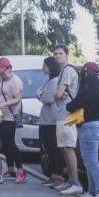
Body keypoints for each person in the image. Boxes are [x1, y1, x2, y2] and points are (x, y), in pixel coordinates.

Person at [68, 61, 99, 197]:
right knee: (89, 162)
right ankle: (92, 193)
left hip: (88, 128)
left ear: (85, 73)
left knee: (92, 163)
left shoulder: (86, 91)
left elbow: (71, 106)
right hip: (98, 126)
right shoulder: (98, 90)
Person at [53, 44, 82, 195]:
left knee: (69, 147)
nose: (58, 56)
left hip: (68, 114)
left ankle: (76, 182)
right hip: (65, 113)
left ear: (66, 55)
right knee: (64, 147)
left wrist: (56, 94)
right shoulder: (64, 70)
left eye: (61, 53)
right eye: (56, 54)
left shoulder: (68, 70)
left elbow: (58, 94)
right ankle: (70, 180)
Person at [0, 56, 25, 183]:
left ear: (10, 68)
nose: (2, 74)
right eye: (0, 71)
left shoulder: (15, 81)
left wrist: (4, 105)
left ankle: (20, 170)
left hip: (11, 115)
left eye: (4, 71)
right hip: (0, 115)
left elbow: (17, 99)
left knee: (11, 144)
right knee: (4, 144)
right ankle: (10, 168)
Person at [36, 56, 65, 188]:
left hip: (52, 120)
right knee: (47, 148)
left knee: (54, 149)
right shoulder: (47, 80)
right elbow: (38, 92)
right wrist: (42, 94)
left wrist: (43, 94)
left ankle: (58, 175)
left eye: (45, 66)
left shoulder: (55, 81)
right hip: (45, 119)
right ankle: (52, 175)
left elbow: (47, 98)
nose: (43, 68)